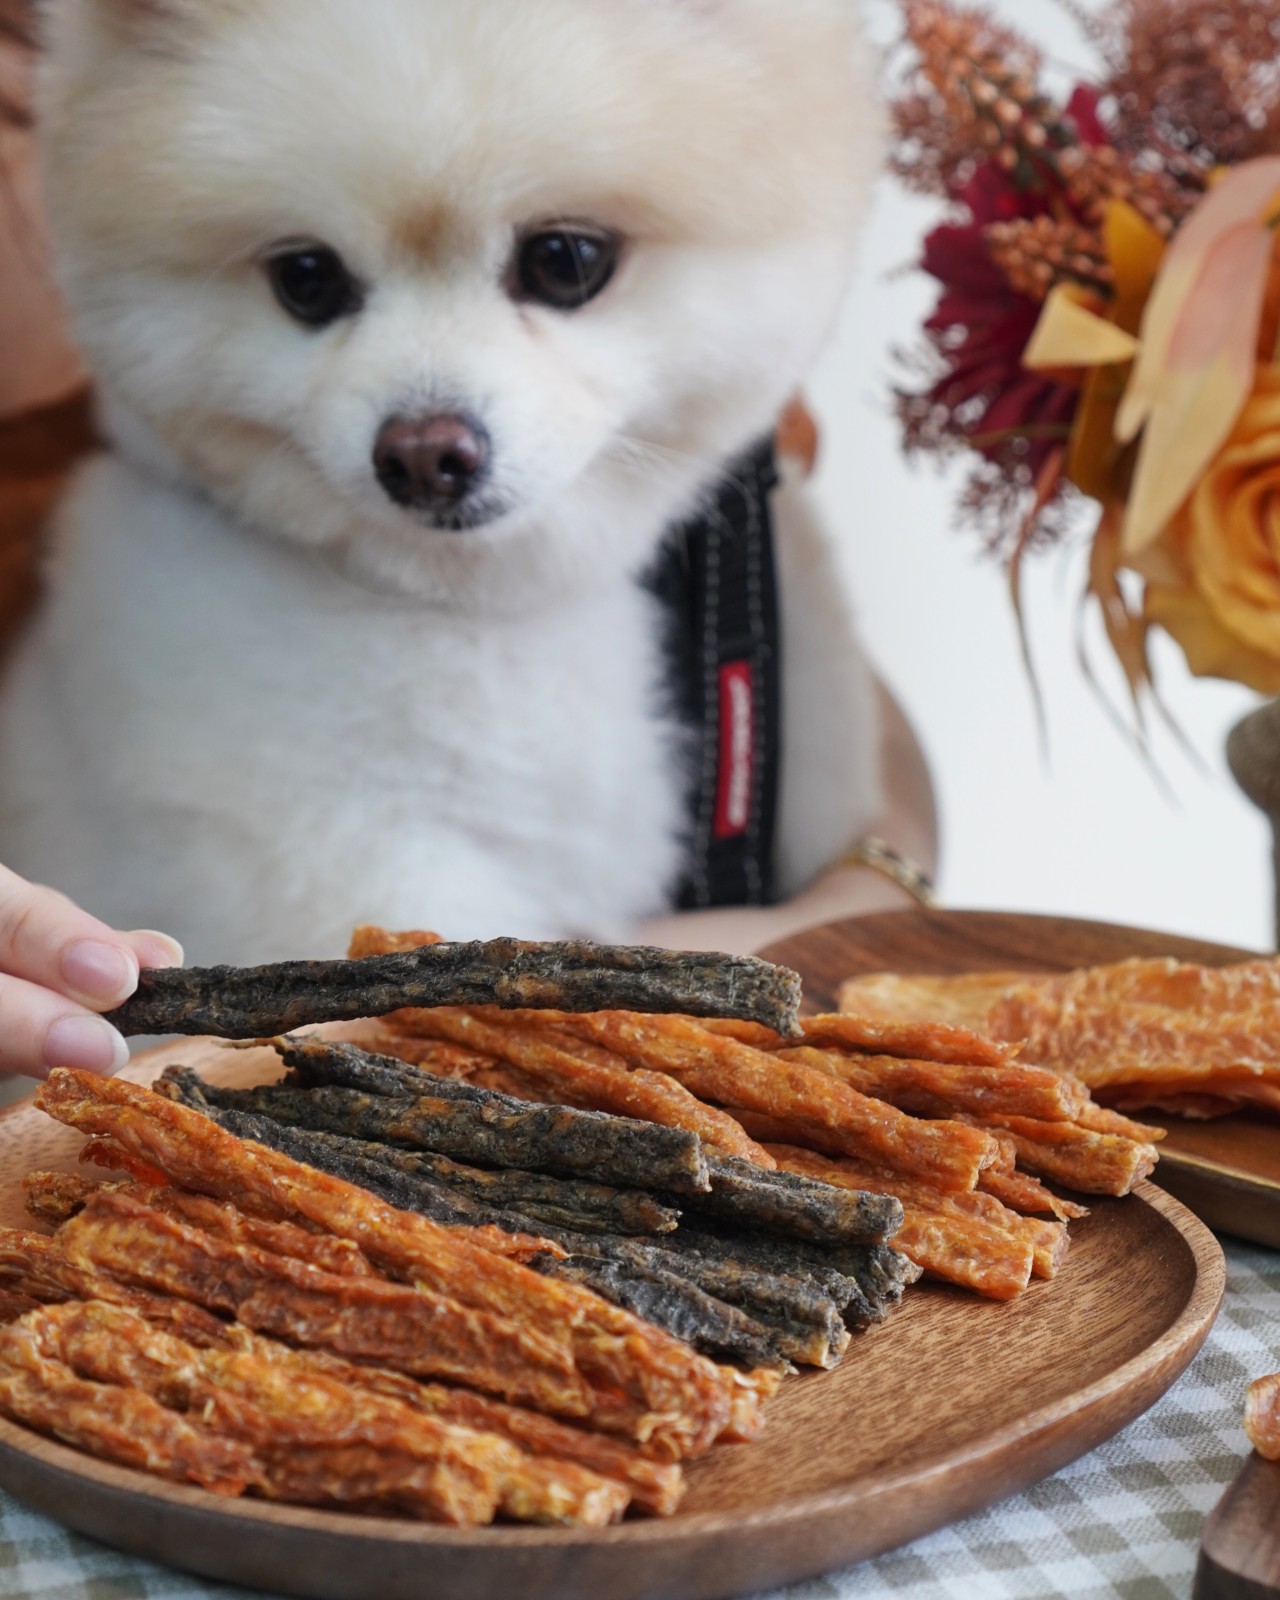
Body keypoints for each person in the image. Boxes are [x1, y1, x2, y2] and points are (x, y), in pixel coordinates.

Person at [0, 5, 938, 1082]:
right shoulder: (172, 593)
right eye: (312, 280)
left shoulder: (708, 490)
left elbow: (853, 819)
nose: (428, 426)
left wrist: (868, 890)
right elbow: (433, 1089)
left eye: (563, 262)